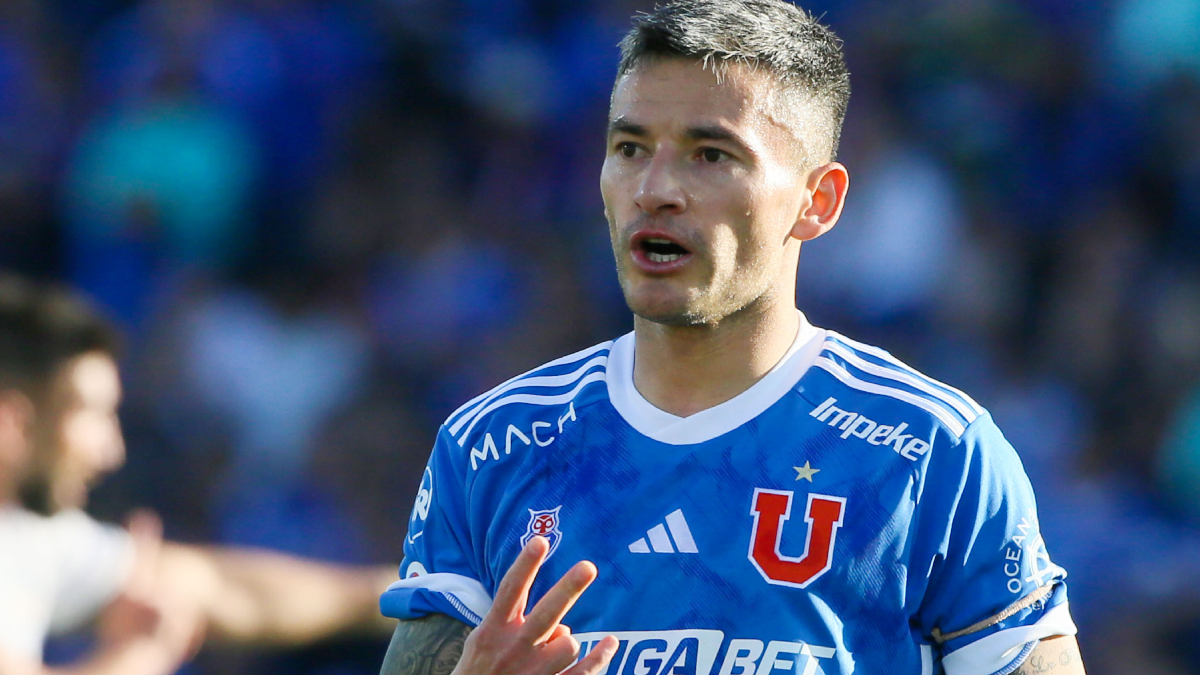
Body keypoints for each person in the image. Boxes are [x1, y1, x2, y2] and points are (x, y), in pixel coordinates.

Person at [377, 1, 1086, 674]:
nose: (654, 189)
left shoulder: (932, 451)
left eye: (711, 155)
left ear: (817, 201)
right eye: (630, 147)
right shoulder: (492, 445)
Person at [0, 274, 398, 675]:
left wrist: (392, 595)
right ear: (12, 421)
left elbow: (216, 588)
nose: (111, 453)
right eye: (92, 413)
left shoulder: (31, 536)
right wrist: (140, 652)